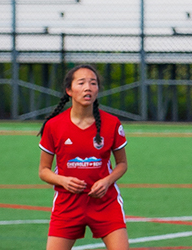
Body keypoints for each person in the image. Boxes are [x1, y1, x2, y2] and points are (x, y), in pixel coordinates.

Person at [37, 65, 129, 250]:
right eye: (82, 83)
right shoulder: (54, 126)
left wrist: (107, 181)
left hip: (105, 204)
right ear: (69, 90)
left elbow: (122, 164)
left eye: (93, 83)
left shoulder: (112, 123)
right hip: (67, 205)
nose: (88, 87)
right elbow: (43, 171)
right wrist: (63, 180)